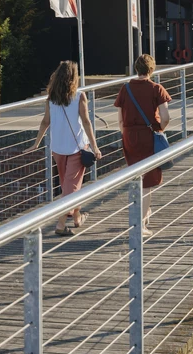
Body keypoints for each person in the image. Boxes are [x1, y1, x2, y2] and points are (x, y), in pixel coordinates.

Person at [33, 61, 102, 236]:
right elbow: (86, 122)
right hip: (76, 147)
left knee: (69, 186)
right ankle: (61, 224)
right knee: (70, 188)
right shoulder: (79, 96)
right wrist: (95, 147)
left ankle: (77, 217)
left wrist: (36, 143)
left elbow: (45, 122)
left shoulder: (51, 98)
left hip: (58, 148)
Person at [114, 54, 172, 237]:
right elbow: (166, 118)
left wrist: (126, 133)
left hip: (129, 136)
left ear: (136, 69)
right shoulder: (156, 89)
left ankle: (143, 215)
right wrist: (159, 130)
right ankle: (140, 224)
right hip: (148, 136)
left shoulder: (125, 89)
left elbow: (120, 120)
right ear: (151, 69)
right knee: (147, 182)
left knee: (135, 177)